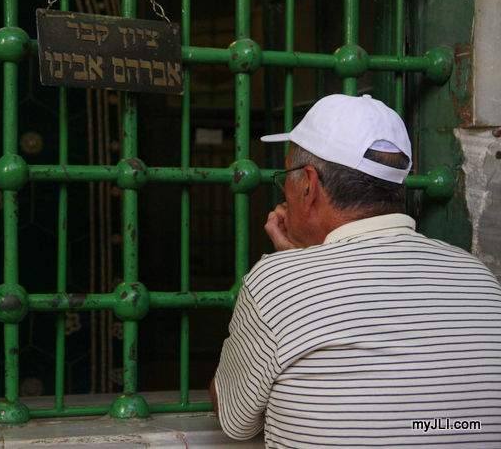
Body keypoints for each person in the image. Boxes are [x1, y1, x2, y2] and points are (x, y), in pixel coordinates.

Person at [210, 94, 501, 448]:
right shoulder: (478, 276)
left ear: (308, 184)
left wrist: (293, 268)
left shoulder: (277, 283)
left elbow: (234, 417)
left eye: (285, 177)